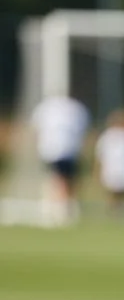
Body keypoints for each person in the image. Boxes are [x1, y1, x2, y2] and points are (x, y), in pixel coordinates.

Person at [31, 93, 91, 224]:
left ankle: (64, 208)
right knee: (59, 180)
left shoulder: (75, 108)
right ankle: (60, 209)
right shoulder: (49, 108)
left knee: (66, 180)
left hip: (67, 151)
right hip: (54, 151)